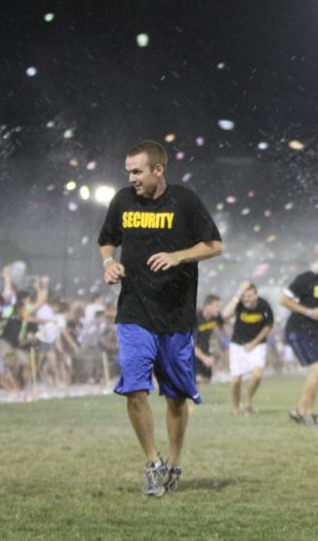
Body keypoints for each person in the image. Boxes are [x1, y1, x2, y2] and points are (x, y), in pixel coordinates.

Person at [98, 140, 222, 496]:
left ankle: (173, 462)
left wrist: (178, 256)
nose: (131, 178)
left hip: (176, 316)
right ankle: (152, 464)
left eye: (137, 171)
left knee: (177, 397)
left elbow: (215, 245)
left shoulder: (185, 201)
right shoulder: (122, 200)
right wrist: (109, 263)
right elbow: (107, 240)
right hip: (134, 311)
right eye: (128, 172)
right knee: (134, 388)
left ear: (158, 170)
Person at [280, 247, 318, 426]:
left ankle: (299, 411)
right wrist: (308, 312)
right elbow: (283, 300)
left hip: (314, 332)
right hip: (297, 330)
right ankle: (307, 414)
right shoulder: (305, 278)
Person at [222, 282, 273, 415]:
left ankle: (247, 401)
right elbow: (225, 315)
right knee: (235, 381)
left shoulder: (264, 305)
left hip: (257, 344)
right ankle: (234, 407)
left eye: (249, 296)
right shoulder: (239, 303)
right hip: (238, 344)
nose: (246, 299)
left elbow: (268, 326)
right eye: (244, 296)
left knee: (257, 374)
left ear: (256, 295)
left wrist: (254, 343)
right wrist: (238, 294)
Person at [194, 294, 223, 384]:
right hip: (191, 353)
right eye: (216, 306)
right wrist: (204, 358)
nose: (218, 309)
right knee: (197, 380)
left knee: (206, 381)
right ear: (207, 306)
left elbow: (226, 326)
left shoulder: (216, 317)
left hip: (205, 350)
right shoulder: (195, 319)